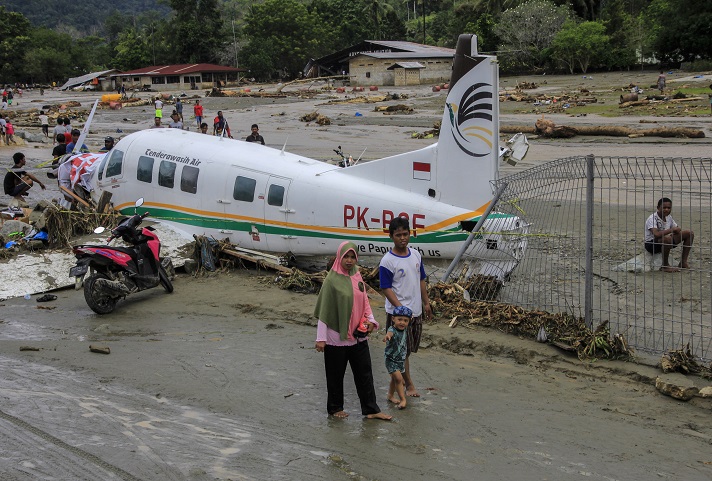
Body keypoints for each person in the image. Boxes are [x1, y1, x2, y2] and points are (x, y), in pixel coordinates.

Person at [314, 241, 392, 421]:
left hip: (358, 336)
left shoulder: (357, 276)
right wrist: (321, 338)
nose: (349, 261)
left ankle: (371, 409)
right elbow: (324, 312)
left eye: (352, 257)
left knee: (365, 374)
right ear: (339, 257)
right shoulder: (331, 281)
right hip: (336, 337)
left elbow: (365, 302)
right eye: (346, 257)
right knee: (335, 375)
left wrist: (371, 321)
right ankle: (335, 408)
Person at [379, 216, 432, 398]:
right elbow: (385, 287)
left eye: (405, 234)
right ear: (391, 236)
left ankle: (394, 387)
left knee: (408, 350)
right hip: (399, 315)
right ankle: (408, 385)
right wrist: (401, 310)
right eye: (398, 235)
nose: (402, 238)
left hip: (415, 312)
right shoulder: (387, 261)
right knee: (401, 352)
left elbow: (421, 279)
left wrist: (426, 303)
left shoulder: (416, 255)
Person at [644, 197, 694, 272]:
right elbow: (656, 234)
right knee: (667, 238)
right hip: (652, 244)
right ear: (658, 208)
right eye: (664, 207)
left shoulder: (668, 217)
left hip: (665, 241)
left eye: (668, 208)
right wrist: (671, 230)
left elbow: (676, 228)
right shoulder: (652, 218)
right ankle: (665, 265)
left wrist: (677, 230)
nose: (666, 209)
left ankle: (683, 262)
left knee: (689, 233)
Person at [384, 305, 411, 410]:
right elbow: (389, 333)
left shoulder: (405, 330)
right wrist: (388, 336)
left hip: (400, 359)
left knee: (394, 379)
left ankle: (390, 395)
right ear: (393, 319)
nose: (402, 322)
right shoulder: (392, 329)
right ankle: (403, 399)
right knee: (399, 379)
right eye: (399, 319)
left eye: (405, 320)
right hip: (391, 359)